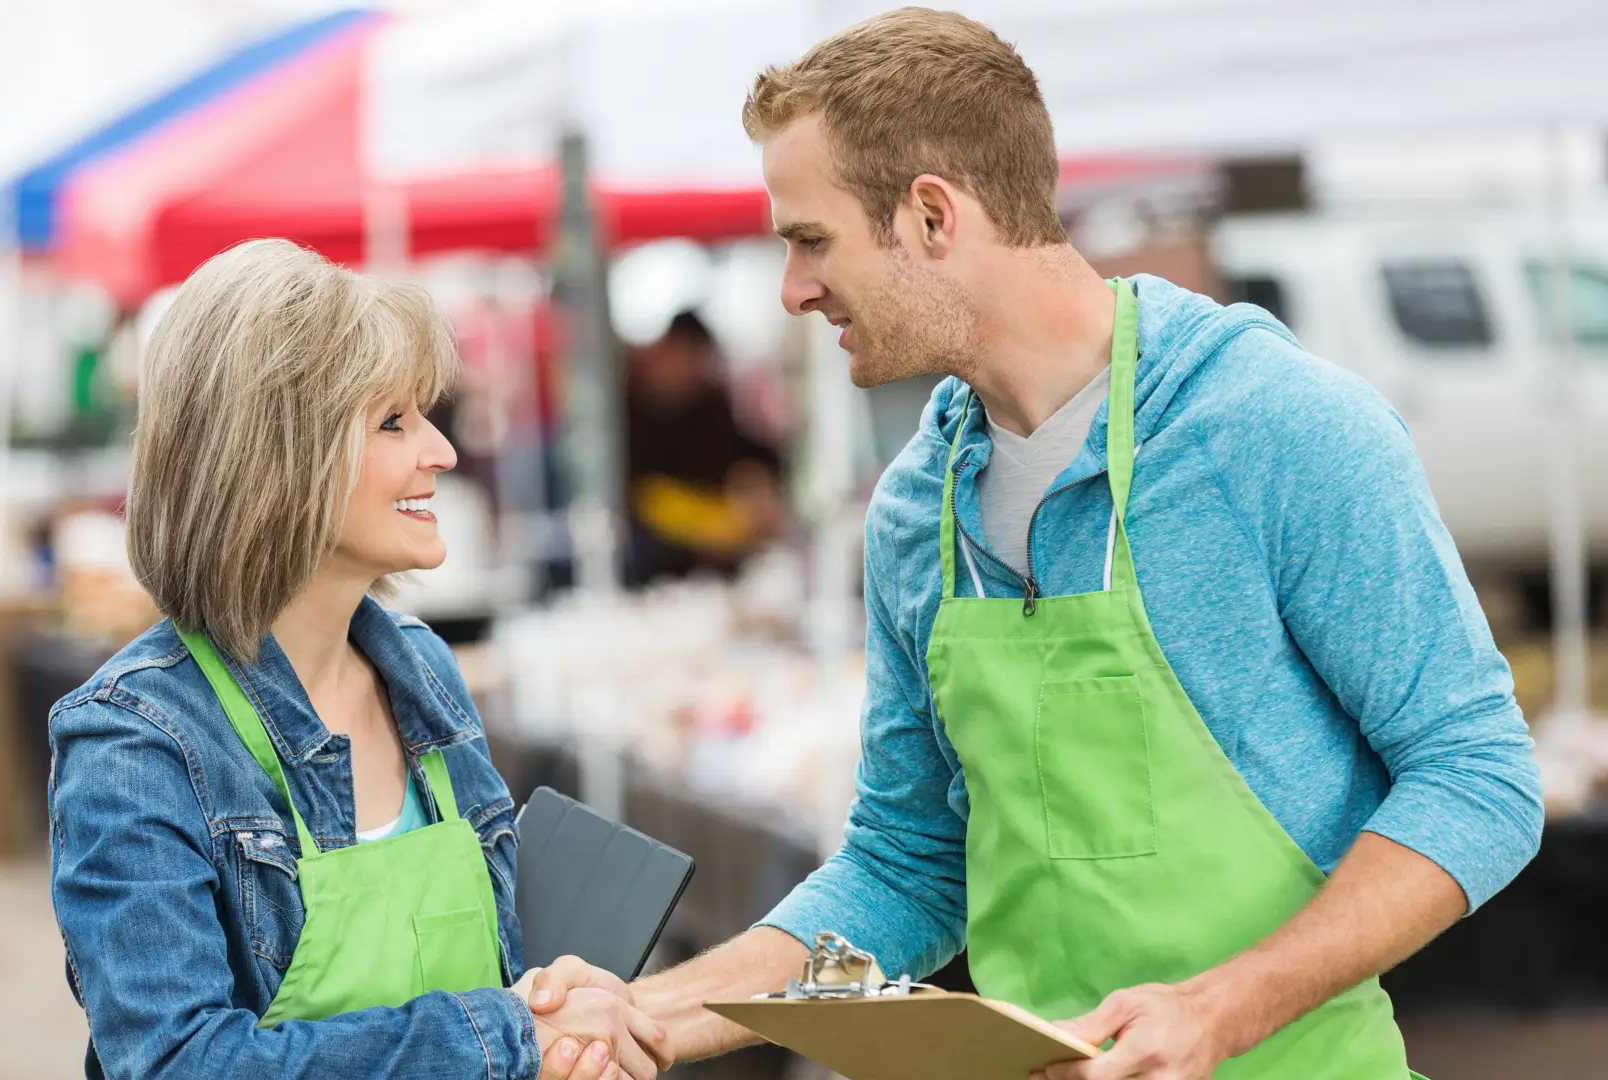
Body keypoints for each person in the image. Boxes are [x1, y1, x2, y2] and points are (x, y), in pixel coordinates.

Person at [534, 10, 1543, 1079]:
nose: (792, 289)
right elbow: (907, 865)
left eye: (810, 239)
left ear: (931, 214)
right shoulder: (916, 507)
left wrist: (1221, 1010)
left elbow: (1478, 775)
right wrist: (653, 1011)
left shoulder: (1272, 427)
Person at [48, 239, 670, 1080]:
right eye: (393, 422)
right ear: (272, 455)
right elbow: (179, 1064)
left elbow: (499, 979)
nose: (442, 451)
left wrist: (559, 1015)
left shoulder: (423, 673)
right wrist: (506, 1036)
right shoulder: (137, 744)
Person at [622, 310, 785, 585]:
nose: (687, 371)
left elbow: (752, 456)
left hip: (718, 562)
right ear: (665, 349)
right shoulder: (624, 411)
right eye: (683, 357)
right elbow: (643, 498)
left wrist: (757, 480)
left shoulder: (710, 402)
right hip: (650, 559)